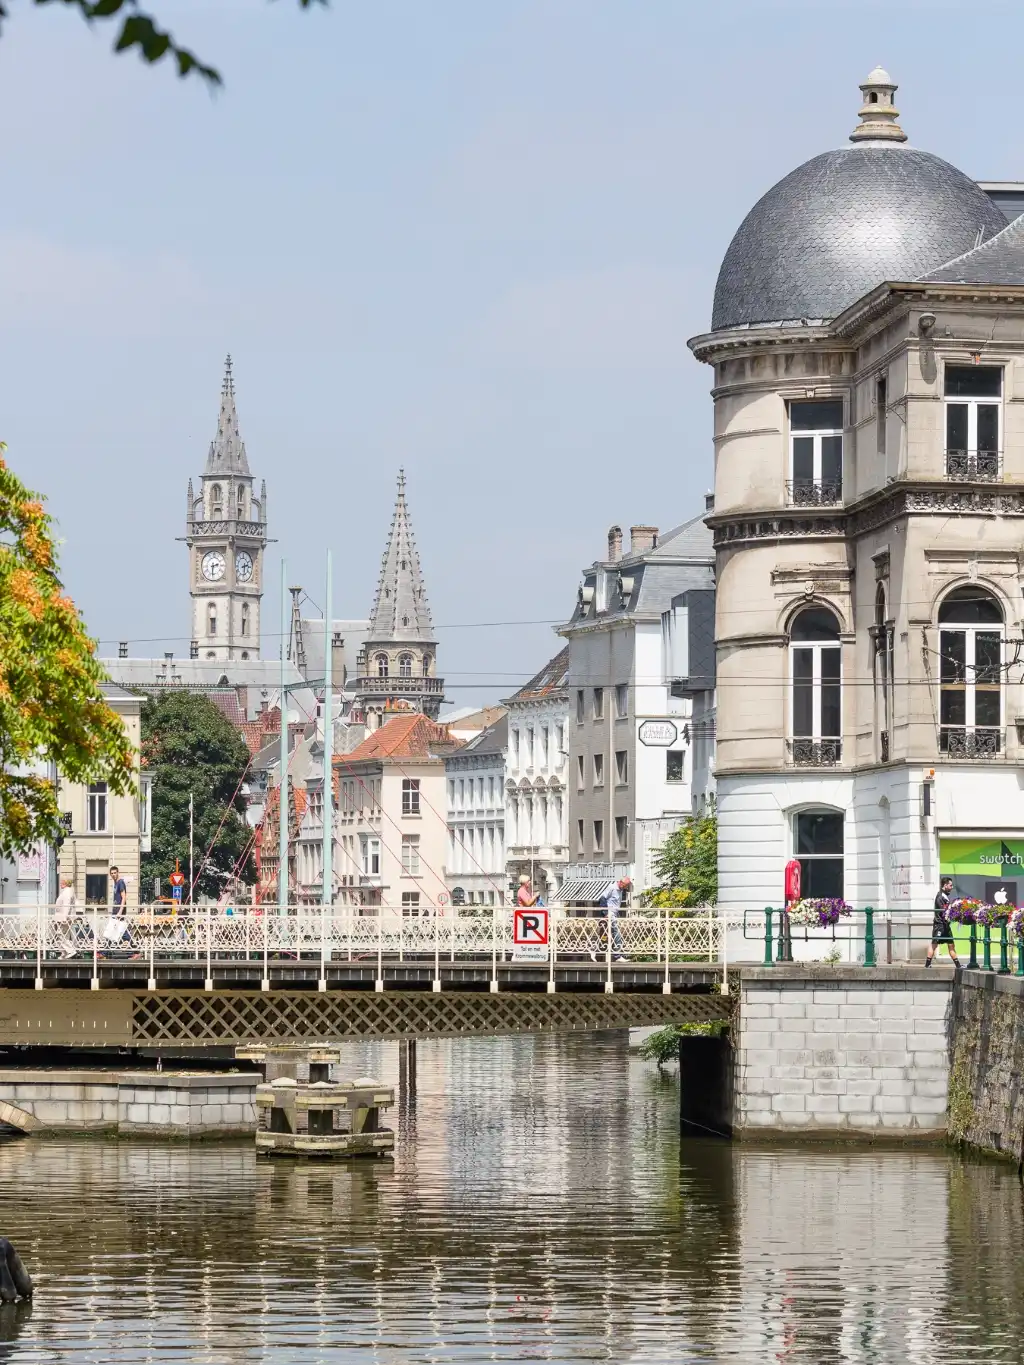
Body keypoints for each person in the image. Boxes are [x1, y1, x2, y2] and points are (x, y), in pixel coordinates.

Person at [926, 876, 960, 969]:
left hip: (946, 925)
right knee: (934, 944)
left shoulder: (945, 896)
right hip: (940, 925)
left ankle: (958, 965)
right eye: (950, 885)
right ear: (945, 885)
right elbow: (943, 911)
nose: (952, 887)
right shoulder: (940, 897)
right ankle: (927, 964)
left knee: (951, 944)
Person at [53, 878, 78, 958]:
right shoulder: (68, 891)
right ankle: (64, 953)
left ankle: (70, 950)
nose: (60, 883)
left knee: (60, 934)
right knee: (64, 935)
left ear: (66, 883)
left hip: (64, 918)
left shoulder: (67, 892)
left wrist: (64, 918)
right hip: (66, 917)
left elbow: (66, 905)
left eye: (62, 882)